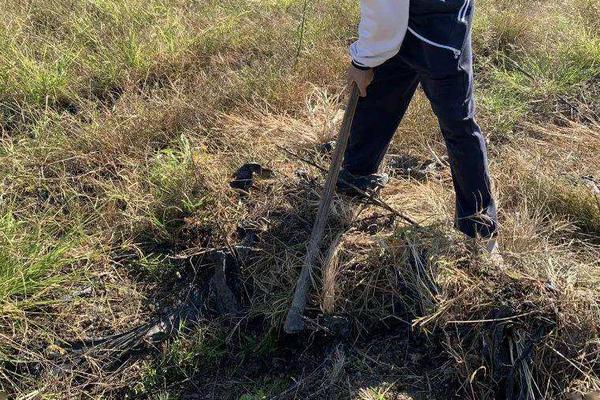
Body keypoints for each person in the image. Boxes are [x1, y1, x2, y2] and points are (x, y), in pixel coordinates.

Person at [339, 0, 501, 256]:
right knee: (378, 102)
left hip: (440, 31)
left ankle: (479, 231)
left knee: (457, 123)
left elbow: (383, 8)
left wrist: (363, 61)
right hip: (404, 21)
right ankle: (356, 178)